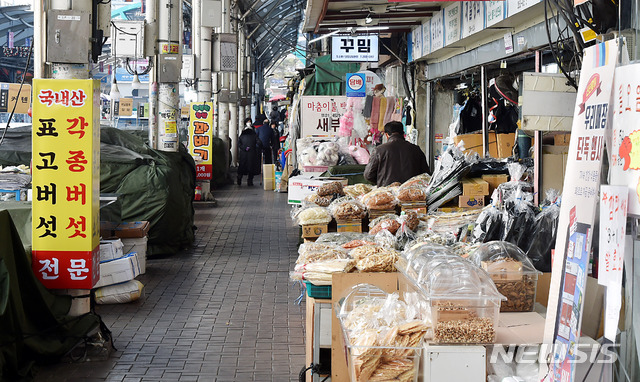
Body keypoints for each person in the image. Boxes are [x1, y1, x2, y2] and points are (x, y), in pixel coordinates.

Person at [364, 121, 430, 187]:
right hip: (411, 192)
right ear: (403, 133)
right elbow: (426, 175)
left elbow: (368, 175)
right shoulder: (416, 149)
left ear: (386, 135)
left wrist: (381, 180)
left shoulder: (379, 150)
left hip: (387, 193)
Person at [237, 117, 262, 186]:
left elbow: (239, 143)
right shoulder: (254, 135)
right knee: (251, 167)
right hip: (252, 153)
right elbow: (259, 142)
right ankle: (250, 181)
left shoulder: (242, 136)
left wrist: (244, 148)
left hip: (243, 154)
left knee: (242, 167)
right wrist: (255, 147)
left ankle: (239, 179)